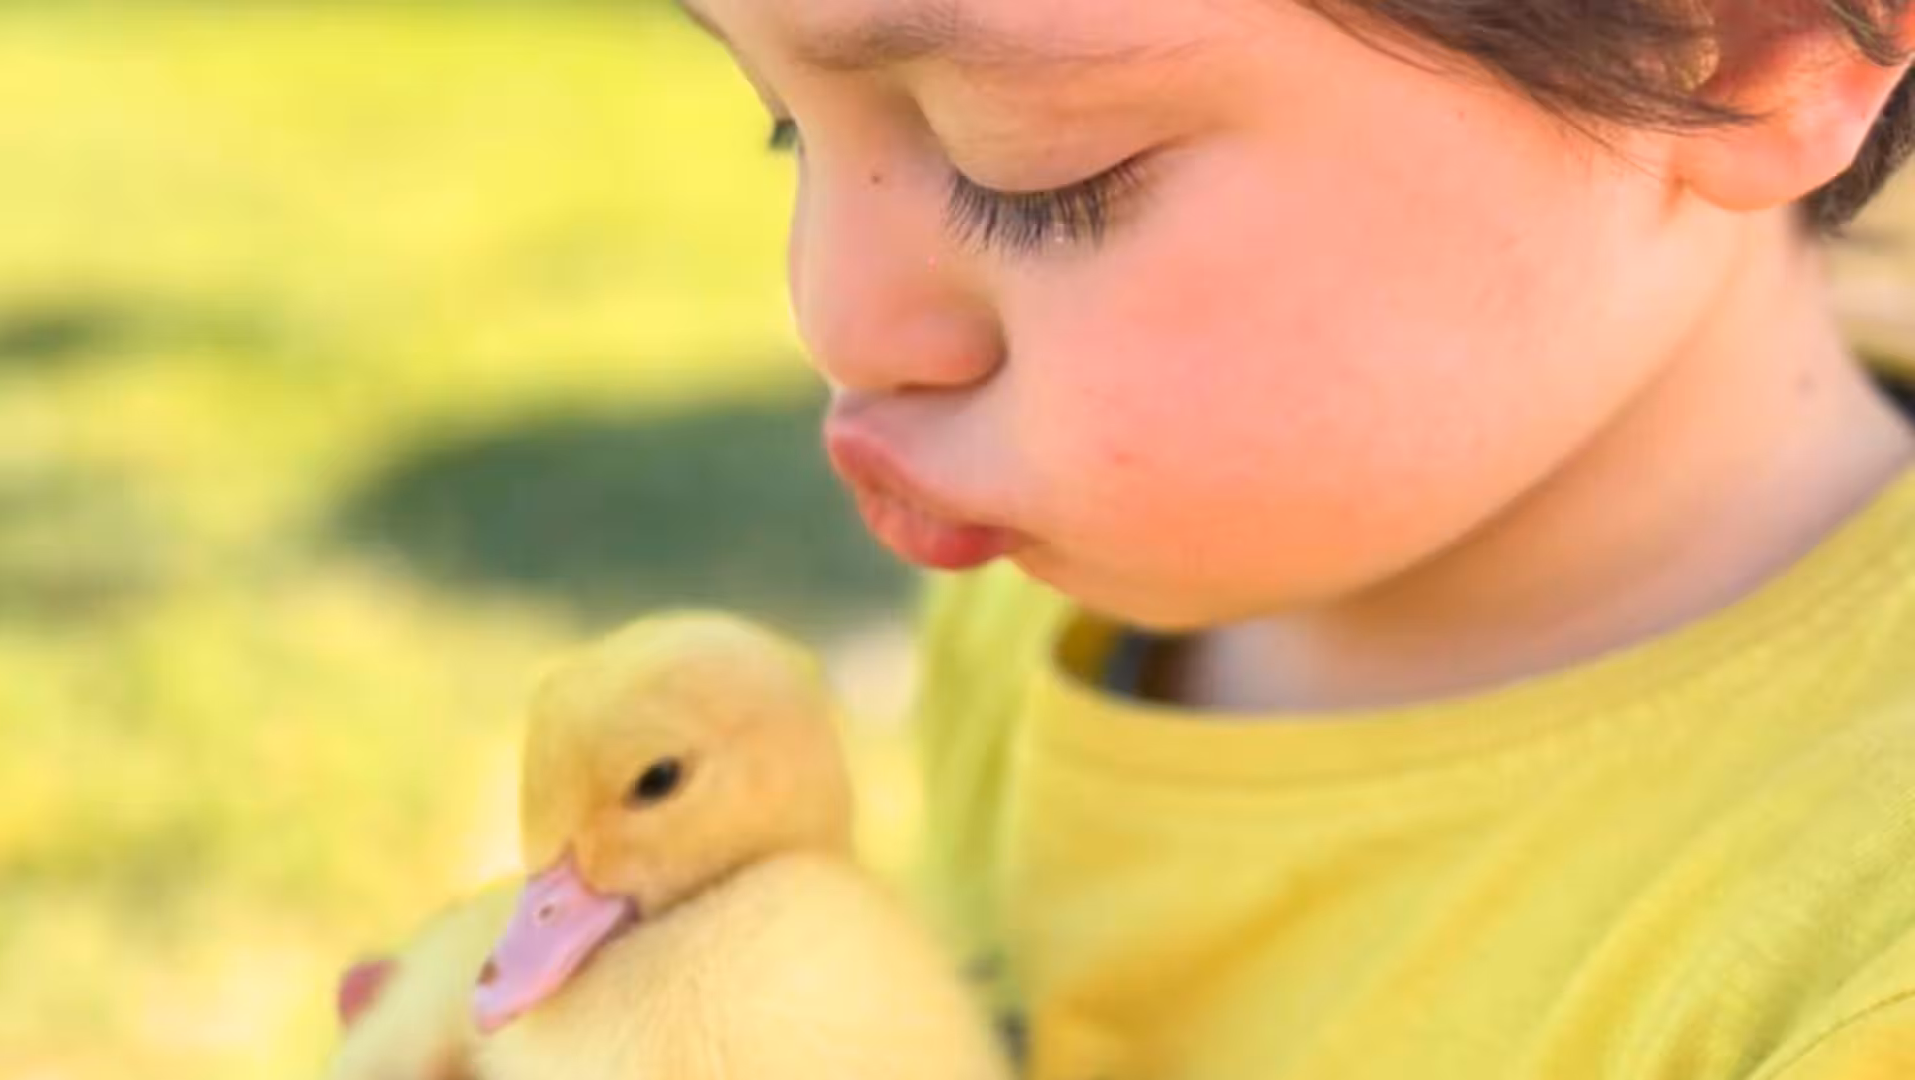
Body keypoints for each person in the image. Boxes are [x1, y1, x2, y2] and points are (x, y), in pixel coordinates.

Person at [681, 0, 1915, 1076]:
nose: (837, 321)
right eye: (786, 118)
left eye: (1030, 174)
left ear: (1753, 40)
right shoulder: (1033, 616)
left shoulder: (1861, 966)